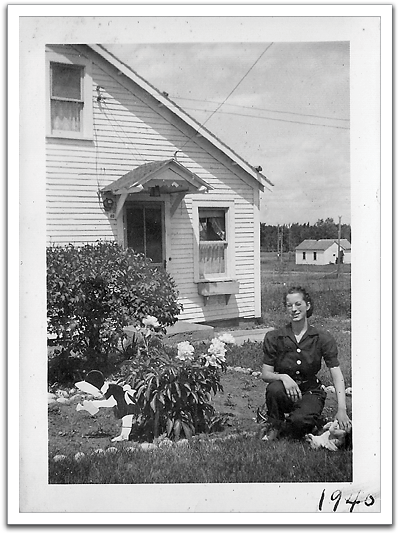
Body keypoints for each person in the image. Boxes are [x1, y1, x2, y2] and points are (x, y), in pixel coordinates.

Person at [260, 286, 351, 441]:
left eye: (298, 304)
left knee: (299, 423)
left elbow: (336, 374)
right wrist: (283, 377)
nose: (294, 309)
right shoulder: (275, 337)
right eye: (289, 305)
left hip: (310, 392)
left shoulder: (321, 337)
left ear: (307, 306)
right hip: (285, 392)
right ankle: (275, 424)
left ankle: (298, 423)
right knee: (274, 389)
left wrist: (341, 409)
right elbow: (266, 374)